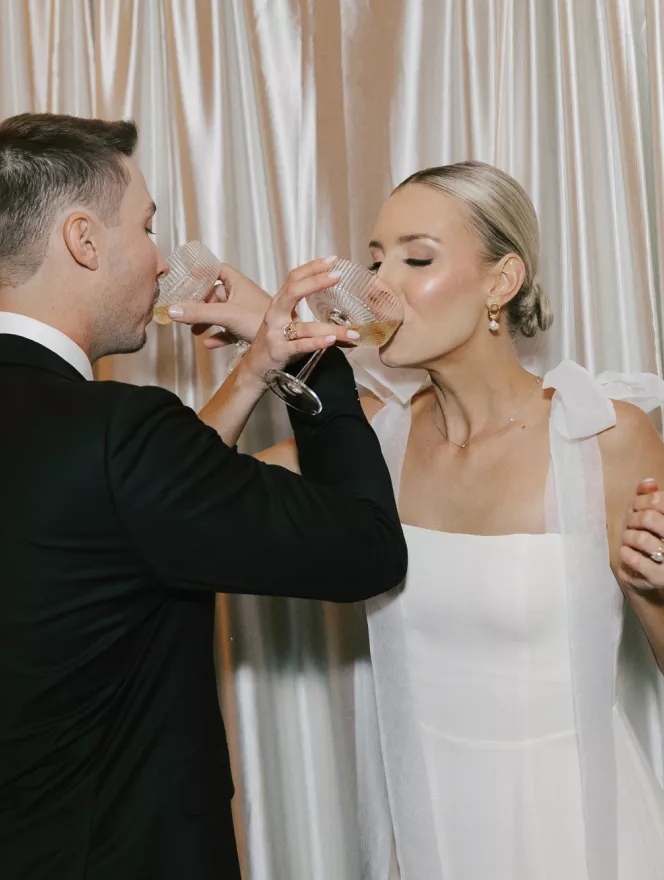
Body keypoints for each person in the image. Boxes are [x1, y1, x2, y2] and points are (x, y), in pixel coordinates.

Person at [0, 112, 407, 880]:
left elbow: (115, 515)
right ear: (84, 240)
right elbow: (366, 547)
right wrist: (315, 357)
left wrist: (254, 369)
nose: (161, 264)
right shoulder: (120, 435)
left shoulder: (44, 428)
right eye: (148, 227)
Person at [173, 160, 664, 878]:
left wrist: (653, 593)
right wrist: (257, 358)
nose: (377, 286)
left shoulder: (601, 435)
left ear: (501, 282)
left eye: (416, 258)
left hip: (583, 835)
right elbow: (183, 490)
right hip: (431, 836)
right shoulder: (372, 441)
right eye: (374, 261)